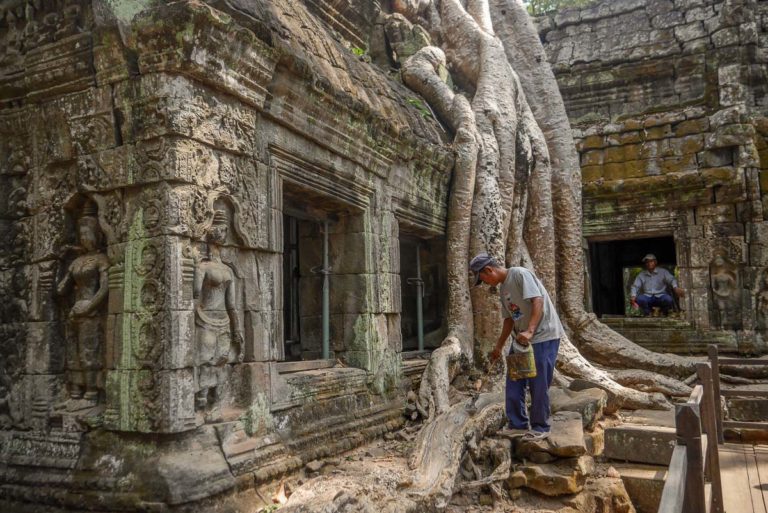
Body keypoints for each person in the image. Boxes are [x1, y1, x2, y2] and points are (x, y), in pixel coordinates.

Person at [470, 252, 564, 440]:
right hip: (521, 340)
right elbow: (510, 319)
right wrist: (498, 346)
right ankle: (517, 423)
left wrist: (530, 330)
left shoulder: (520, 274)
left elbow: (537, 300)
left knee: (538, 383)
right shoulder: (503, 289)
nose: (486, 283)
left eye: (484, 279)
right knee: (514, 381)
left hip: (543, 335)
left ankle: (540, 427)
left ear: (489, 270)